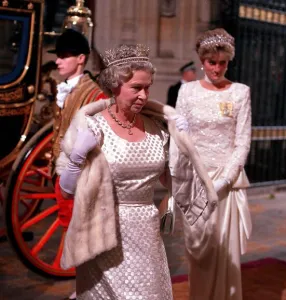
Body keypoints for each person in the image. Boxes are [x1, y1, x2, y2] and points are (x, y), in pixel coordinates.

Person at [55, 44, 218, 300]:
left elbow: (176, 182)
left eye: (147, 87)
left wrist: (182, 143)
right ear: (114, 86)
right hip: (103, 235)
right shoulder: (93, 127)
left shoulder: (156, 128)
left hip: (146, 233)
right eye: (136, 88)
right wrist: (76, 158)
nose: (144, 95)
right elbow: (66, 191)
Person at [176, 28, 252, 300]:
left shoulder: (240, 92)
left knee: (224, 250)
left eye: (222, 62)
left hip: (226, 182)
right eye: (211, 62)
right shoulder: (187, 92)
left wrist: (223, 180)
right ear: (202, 60)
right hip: (196, 180)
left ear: (229, 62)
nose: (217, 68)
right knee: (198, 249)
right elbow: (180, 138)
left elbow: (242, 142)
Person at [48, 28, 106, 300]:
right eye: (57, 57)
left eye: (64, 56)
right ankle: (84, 287)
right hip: (61, 173)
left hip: (81, 176)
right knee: (71, 233)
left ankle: (89, 289)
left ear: (81, 59)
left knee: (83, 235)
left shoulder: (93, 94)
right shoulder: (65, 90)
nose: (58, 61)